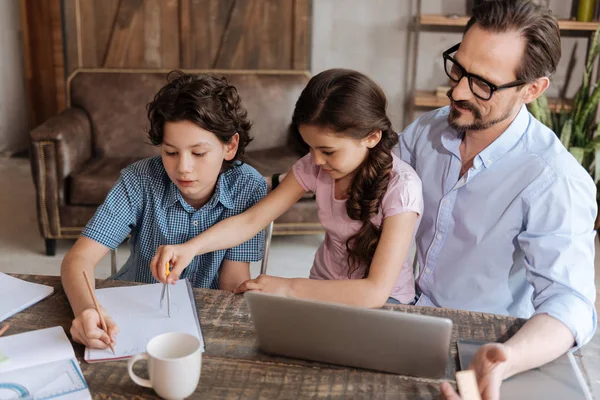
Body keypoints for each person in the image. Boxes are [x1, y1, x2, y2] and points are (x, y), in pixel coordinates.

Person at [397, 1, 597, 398]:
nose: (456, 91)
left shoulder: (554, 180)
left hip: (489, 344)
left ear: (532, 89)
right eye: (458, 68)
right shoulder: (426, 131)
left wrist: (507, 357)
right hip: (409, 320)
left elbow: (570, 304)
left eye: (483, 83)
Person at [150, 68, 424, 308]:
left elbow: (374, 292)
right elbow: (251, 221)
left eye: (327, 150)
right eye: (310, 147)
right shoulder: (316, 166)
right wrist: (190, 248)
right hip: (321, 289)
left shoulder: (403, 188)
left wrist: (287, 287)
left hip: (386, 304)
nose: (316, 160)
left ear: (372, 137)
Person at [61, 71, 267, 350]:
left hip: (202, 323)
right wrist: (87, 310)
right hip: (129, 311)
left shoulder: (248, 186)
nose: (183, 167)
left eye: (198, 153)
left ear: (229, 146)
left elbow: (232, 279)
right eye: (171, 152)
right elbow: (78, 259)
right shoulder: (139, 179)